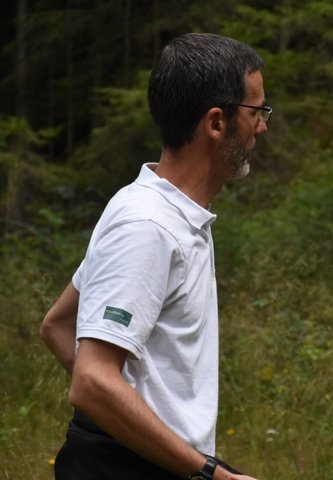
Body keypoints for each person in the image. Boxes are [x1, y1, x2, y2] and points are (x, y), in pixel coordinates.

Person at [40, 33, 272, 480]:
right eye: (256, 111)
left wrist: (133, 419)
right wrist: (209, 473)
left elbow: (58, 324)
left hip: (154, 461)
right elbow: (92, 383)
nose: (262, 125)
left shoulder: (164, 212)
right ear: (217, 123)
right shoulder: (147, 226)